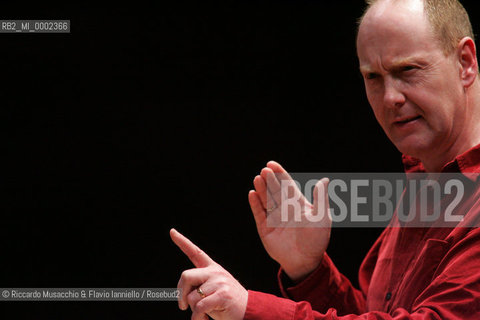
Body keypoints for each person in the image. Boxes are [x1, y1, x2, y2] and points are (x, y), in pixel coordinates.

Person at [170, 0, 480, 318]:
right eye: (373, 77)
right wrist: (309, 271)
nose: (390, 97)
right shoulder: (425, 182)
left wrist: (251, 308)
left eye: (407, 70)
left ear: (465, 62)